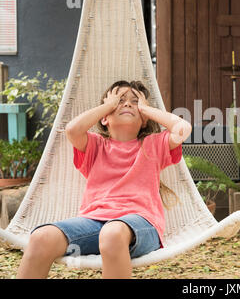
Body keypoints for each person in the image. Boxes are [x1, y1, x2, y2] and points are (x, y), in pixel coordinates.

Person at [16, 80, 192, 279]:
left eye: (134, 102)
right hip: (93, 223)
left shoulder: (153, 145)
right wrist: (108, 106)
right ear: (104, 118)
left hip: (141, 225)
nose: (126, 104)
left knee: (112, 232)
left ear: (143, 119)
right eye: (119, 100)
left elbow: (182, 128)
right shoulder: (95, 146)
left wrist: (146, 109)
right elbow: (72, 130)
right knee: (41, 238)